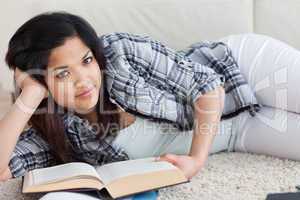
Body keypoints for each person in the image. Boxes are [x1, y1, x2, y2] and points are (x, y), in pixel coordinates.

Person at [0, 11, 299, 199]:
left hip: (243, 68)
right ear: (42, 82)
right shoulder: (58, 130)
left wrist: (196, 159)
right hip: (238, 131)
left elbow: (209, 87)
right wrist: (28, 97)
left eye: (87, 60)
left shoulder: (120, 54)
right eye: (63, 73)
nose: (83, 80)